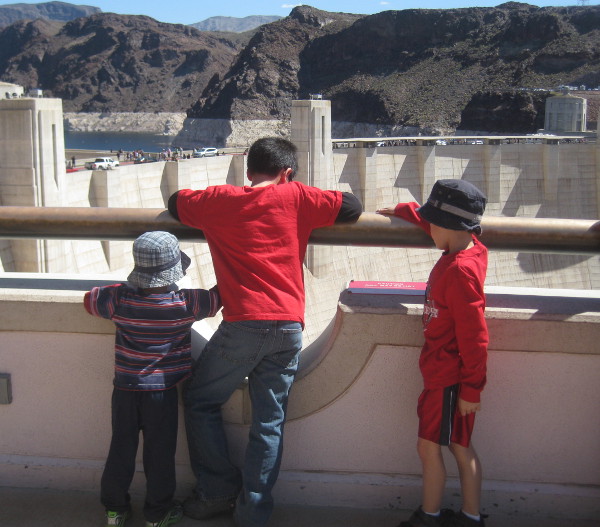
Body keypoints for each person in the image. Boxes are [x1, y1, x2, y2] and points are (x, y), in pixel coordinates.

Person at [167, 137, 362, 527]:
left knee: (201, 400)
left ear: (248, 169)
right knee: (268, 423)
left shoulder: (219, 200)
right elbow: (352, 207)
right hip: (289, 327)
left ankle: (217, 491)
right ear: (286, 172)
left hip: (243, 325)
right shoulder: (297, 197)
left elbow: (175, 202)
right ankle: (253, 513)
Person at [84, 231, 221, 527]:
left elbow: (89, 299)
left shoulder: (119, 300)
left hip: (125, 389)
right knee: (159, 454)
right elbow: (217, 298)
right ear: (173, 270)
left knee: (121, 448)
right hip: (162, 391)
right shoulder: (186, 303)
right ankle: (157, 513)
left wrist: (124, 288)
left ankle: (114, 510)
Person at [377, 179, 489, 527]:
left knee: (430, 447)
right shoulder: (470, 249)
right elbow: (437, 224)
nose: (429, 230)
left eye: (432, 224)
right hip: (447, 377)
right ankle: (470, 517)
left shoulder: (459, 272)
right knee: (459, 446)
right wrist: (404, 212)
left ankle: (430, 516)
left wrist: (471, 390)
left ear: (449, 227)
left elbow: (475, 339)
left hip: (448, 379)